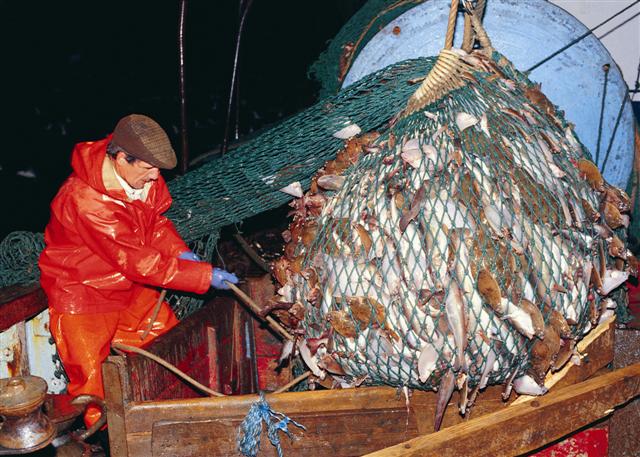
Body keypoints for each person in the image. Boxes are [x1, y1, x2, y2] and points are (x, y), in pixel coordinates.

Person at [39, 114, 238, 427]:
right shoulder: (85, 201)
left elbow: (155, 223)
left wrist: (182, 253)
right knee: (92, 389)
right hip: (83, 294)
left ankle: (178, 420)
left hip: (129, 288)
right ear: (121, 158)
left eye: (157, 169)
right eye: (148, 169)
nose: (155, 176)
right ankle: (111, 440)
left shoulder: (144, 177)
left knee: (172, 345)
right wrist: (202, 276)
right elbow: (138, 262)